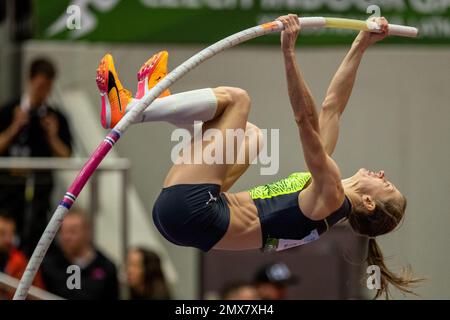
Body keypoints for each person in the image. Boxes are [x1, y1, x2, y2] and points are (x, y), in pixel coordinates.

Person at [95, 15, 420, 298]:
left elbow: (305, 120)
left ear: (368, 203)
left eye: (386, 185)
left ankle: (131, 110)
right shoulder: (325, 192)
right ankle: (153, 103)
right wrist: (361, 43)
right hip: (192, 218)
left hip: (195, 212)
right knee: (250, 136)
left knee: (237, 100)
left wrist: (289, 51)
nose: (381, 174)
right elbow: (332, 107)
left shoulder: (331, 196)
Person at [0, 57, 73, 256]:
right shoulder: (9, 111)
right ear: (30, 81)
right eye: (40, 86)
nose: (43, 92)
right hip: (7, 193)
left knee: (39, 243)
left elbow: (66, 155)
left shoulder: (55, 117)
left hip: (40, 194)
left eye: (48, 87)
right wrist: (15, 127)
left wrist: (52, 135)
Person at [41, 208, 119, 300]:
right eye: (63, 231)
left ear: (87, 232)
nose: (67, 237)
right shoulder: (49, 265)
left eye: (73, 231)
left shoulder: (106, 267)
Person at [0, 210, 44, 299]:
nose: (8, 240)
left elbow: (38, 293)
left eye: (11, 233)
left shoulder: (21, 263)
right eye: (2, 233)